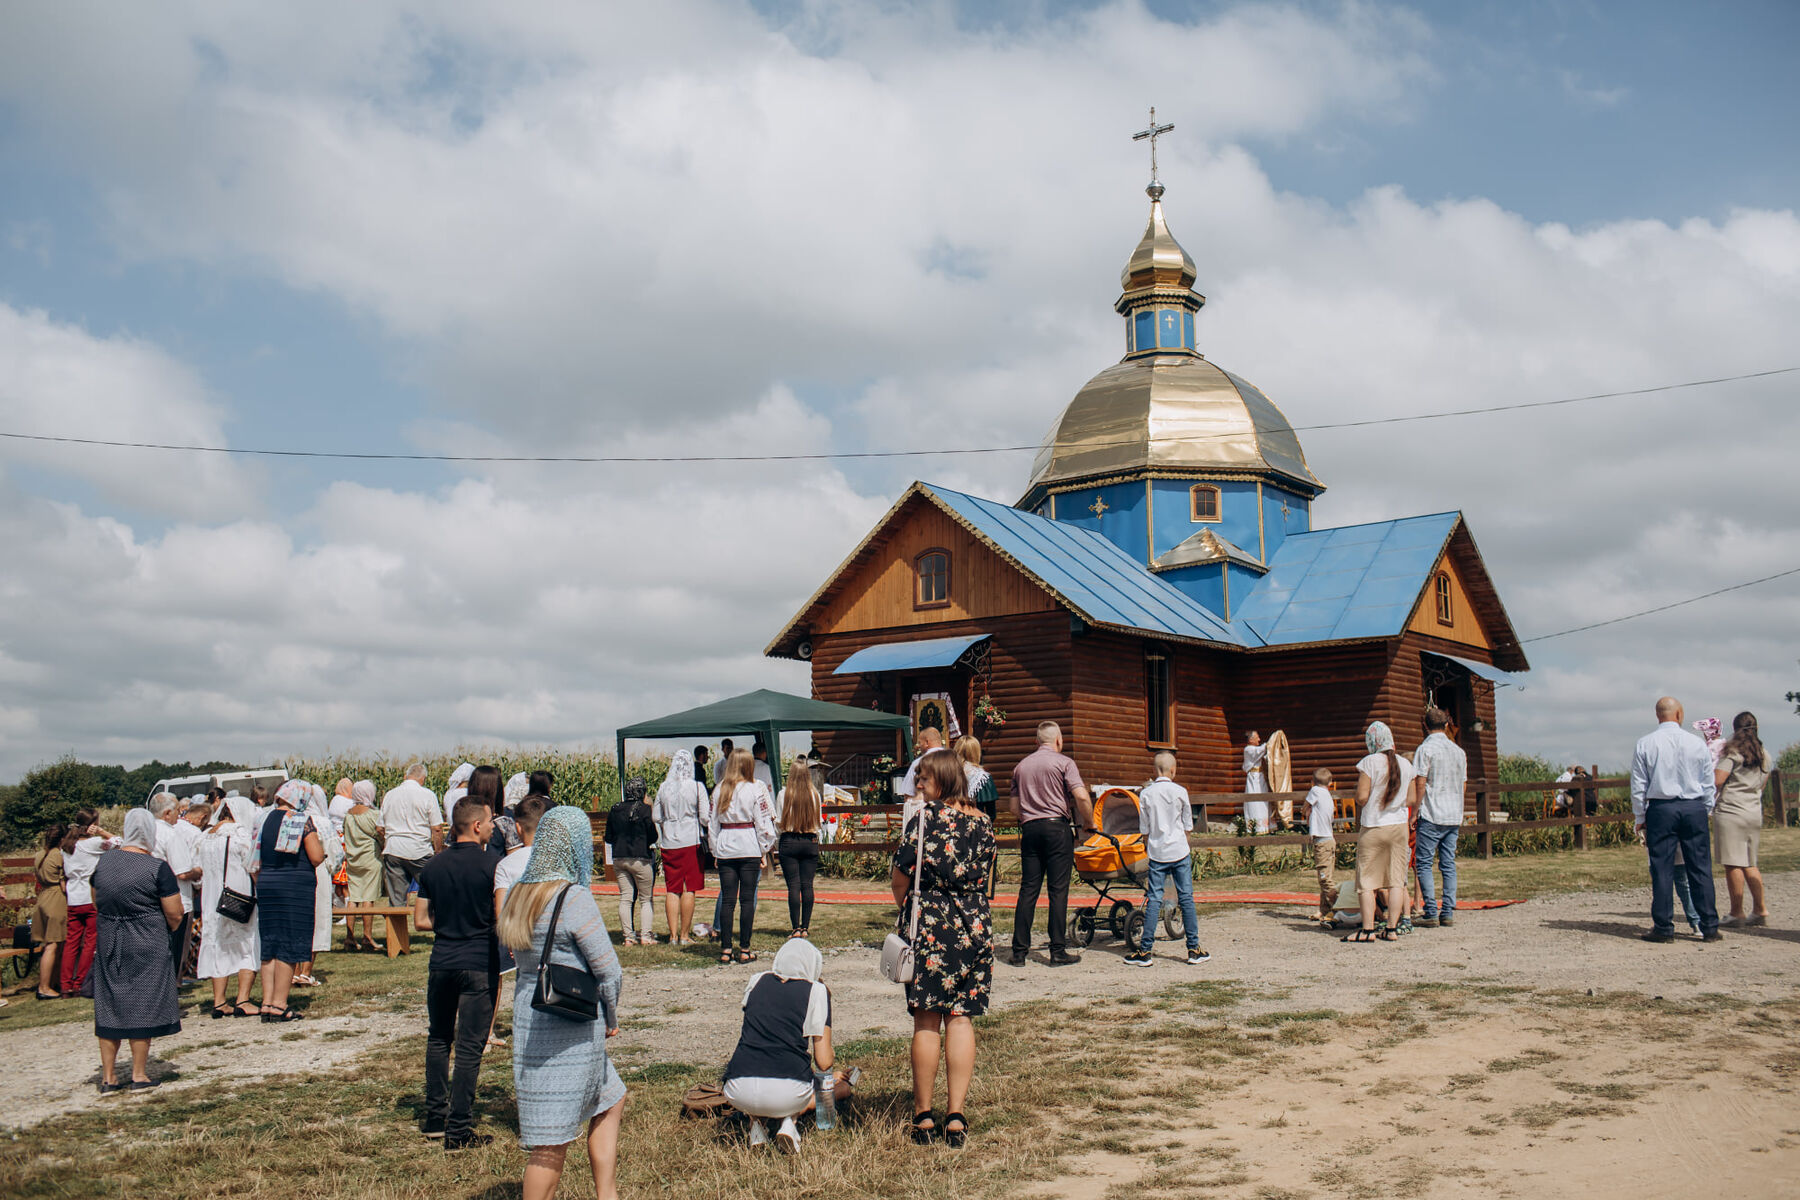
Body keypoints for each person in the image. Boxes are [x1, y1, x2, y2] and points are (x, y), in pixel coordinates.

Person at [498, 806, 625, 1199]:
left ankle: (608, 1194)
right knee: (551, 1141)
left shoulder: (522, 892)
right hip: (570, 1028)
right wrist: (611, 1013)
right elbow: (608, 969)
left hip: (530, 1017)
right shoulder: (573, 897)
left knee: (611, 1097)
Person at [892, 749, 995, 1146]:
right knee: (962, 1017)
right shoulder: (984, 824)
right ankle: (956, 1114)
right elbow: (987, 879)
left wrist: (911, 910)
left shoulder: (925, 819)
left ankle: (923, 1116)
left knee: (926, 1020)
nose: (919, 785)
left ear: (945, 780)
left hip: (933, 923)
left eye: (924, 779)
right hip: (975, 924)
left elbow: (901, 877)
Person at [414, 797, 502, 1148]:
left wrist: (447, 921)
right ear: (477, 826)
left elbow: (420, 920)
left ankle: (435, 1116)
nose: (494, 827)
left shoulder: (432, 867)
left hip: (442, 961)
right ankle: (460, 1129)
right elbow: (501, 915)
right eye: (490, 822)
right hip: (479, 961)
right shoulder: (493, 865)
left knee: (438, 1038)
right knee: (469, 1046)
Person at [722, 938, 856, 1154]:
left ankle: (757, 1125)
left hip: (738, 1089)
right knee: (837, 1089)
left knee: (766, 1069)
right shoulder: (817, 991)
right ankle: (789, 1123)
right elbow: (823, 1062)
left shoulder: (756, 980)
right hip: (788, 1091)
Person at [89, 810, 184, 1093]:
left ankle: (108, 1076)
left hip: (110, 939)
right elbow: (175, 912)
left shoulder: (104, 863)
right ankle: (139, 1073)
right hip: (147, 939)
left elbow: (97, 900)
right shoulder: (156, 867)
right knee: (142, 1003)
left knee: (109, 1003)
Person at [1631, 697, 1722, 943]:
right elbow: (1707, 782)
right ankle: (1710, 926)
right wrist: (1706, 809)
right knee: (1700, 867)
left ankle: (1663, 927)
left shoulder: (1645, 743)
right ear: (1679, 714)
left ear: (1657, 715)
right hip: (1693, 807)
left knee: (1662, 869)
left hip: (1661, 808)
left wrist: (1640, 816)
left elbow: (1639, 785)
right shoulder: (1696, 743)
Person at [1008, 721, 1093, 967]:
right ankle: (1057, 950)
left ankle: (1019, 951)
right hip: (1057, 827)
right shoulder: (1065, 763)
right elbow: (1080, 796)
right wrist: (1089, 822)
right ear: (1058, 740)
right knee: (1058, 890)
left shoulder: (1020, 767)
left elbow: (1014, 807)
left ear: (1036, 742)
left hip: (1031, 828)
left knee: (1028, 889)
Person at [1124, 752, 1207, 968]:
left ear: (1154, 770)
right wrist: (1184, 844)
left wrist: (1147, 846)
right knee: (1186, 898)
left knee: (1154, 898)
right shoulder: (1181, 791)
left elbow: (1144, 828)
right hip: (1179, 850)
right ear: (1174, 770)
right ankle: (1194, 949)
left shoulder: (1146, 794)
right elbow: (1188, 824)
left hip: (1158, 851)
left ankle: (1145, 950)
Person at [1343, 722, 1421, 943]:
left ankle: (1367, 930)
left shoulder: (1370, 762)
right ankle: (1392, 929)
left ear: (1372, 742)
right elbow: (1412, 799)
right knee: (1396, 879)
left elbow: (1362, 797)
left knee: (1367, 880)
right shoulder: (1406, 764)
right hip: (1398, 826)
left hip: (1374, 826)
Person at [257, 780, 325, 1022]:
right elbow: (316, 857)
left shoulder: (265, 819)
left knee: (270, 944)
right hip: (293, 886)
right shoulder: (300, 820)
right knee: (288, 943)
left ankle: (266, 1001)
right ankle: (279, 1003)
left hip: (267, 883)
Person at [709, 749, 778, 964]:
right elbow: (762, 821)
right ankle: (745, 948)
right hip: (748, 845)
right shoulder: (754, 789)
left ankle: (726, 948)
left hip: (727, 844)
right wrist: (764, 849)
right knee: (747, 900)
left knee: (728, 900)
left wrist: (715, 849)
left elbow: (712, 824)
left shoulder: (719, 789)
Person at [198, 796, 262, 1017]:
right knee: (248, 945)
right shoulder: (241, 835)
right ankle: (243, 999)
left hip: (212, 900)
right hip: (239, 895)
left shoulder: (206, 836)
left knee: (218, 947)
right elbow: (254, 865)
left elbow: (198, 871)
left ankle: (219, 1001)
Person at [1713, 710, 1772, 928]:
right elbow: (1762, 785)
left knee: (1733, 863)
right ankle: (1760, 908)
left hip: (1731, 811)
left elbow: (1718, 780)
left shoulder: (1732, 752)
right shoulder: (1764, 754)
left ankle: (1736, 911)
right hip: (1753, 811)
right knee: (1750, 861)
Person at [1411, 708, 1468, 929]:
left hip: (1432, 812)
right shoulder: (1458, 752)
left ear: (1425, 726)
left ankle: (1431, 911)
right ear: (1446, 725)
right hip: (1453, 813)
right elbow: (1463, 784)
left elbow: (1420, 782)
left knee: (1424, 862)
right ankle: (1448, 911)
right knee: (1448, 863)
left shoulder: (1424, 749)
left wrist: (1415, 811)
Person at [655, 749, 708, 947]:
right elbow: (704, 816)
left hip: (670, 841)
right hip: (690, 840)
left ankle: (672, 935)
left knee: (672, 888)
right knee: (689, 887)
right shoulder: (696, 787)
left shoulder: (663, 788)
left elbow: (656, 816)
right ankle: (685, 935)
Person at [148, 792, 201, 981]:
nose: (180, 815)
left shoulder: (146, 832)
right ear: (167, 813)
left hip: (151, 899)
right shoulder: (171, 834)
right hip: (177, 899)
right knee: (176, 951)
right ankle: (173, 989)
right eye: (178, 811)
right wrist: (198, 872)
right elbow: (183, 871)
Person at [296, 783, 344, 987]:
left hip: (295, 872)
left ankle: (294, 969)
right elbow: (336, 854)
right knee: (315, 920)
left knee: (298, 922)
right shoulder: (322, 823)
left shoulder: (292, 819)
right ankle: (306, 971)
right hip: (318, 871)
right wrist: (332, 868)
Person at [61, 808, 113, 995]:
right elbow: (119, 842)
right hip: (89, 896)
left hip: (73, 897)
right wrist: (101, 832)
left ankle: (66, 983)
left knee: (72, 942)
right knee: (90, 941)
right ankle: (80, 982)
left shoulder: (67, 845)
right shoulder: (93, 844)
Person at [380, 763, 445, 908]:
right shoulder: (427, 795)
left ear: (406, 776)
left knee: (396, 900)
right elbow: (437, 828)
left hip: (394, 849)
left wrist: (387, 839)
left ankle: (396, 930)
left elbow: (380, 827)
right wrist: (438, 851)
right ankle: (435, 925)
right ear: (423, 778)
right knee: (433, 891)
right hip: (419, 849)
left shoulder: (390, 795)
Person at [604, 777, 658, 945]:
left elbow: (608, 836)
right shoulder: (645, 809)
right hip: (640, 857)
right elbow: (652, 834)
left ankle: (628, 937)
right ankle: (646, 936)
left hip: (619, 857)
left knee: (626, 897)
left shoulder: (615, 808)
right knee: (645, 898)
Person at [776, 756, 823, 938]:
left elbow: (779, 821)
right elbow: (819, 820)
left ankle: (795, 927)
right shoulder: (814, 794)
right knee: (807, 885)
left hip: (789, 839)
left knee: (793, 886)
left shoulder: (784, 794)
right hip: (810, 839)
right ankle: (805, 927)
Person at [341, 780, 384, 950]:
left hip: (353, 859)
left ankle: (350, 937)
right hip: (370, 859)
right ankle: (367, 936)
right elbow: (380, 833)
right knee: (368, 898)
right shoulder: (373, 814)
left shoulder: (348, 815)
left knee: (354, 897)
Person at [30, 822, 68, 999]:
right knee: (53, 945)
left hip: (42, 898)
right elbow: (63, 883)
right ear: (62, 839)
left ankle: (51, 982)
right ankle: (44, 986)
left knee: (50, 944)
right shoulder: (59, 856)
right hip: (55, 899)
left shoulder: (39, 855)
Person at [1304, 769, 1337, 924]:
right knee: (1326, 876)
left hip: (1322, 841)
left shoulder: (1315, 791)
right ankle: (1324, 909)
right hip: (1329, 839)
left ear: (1312, 782)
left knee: (1325, 879)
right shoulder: (1327, 794)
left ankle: (1338, 908)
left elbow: (1305, 806)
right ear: (1330, 783)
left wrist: (1305, 813)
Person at [896, 727, 947, 821]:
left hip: (927, 814)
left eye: (920, 743)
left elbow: (908, 795)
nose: (918, 746)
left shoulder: (918, 763)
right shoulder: (952, 760)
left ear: (927, 742)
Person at [953, 736, 998, 822]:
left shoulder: (948, 774)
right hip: (975, 827)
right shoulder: (982, 778)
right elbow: (991, 814)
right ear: (976, 753)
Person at [1241, 732, 1270, 833]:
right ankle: (1255, 827)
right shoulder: (1248, 749)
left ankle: (1265, 827)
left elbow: (1264, 755)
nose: (1259, 739)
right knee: (1255, 802)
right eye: (1257, 738)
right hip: (1253, 779)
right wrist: (1270, 742)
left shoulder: (1255, 750)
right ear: (1250, 740)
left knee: (1264, 801)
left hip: (1260, 777)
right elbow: (1259, 751)